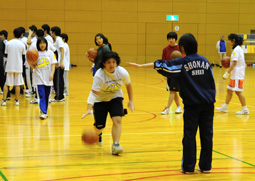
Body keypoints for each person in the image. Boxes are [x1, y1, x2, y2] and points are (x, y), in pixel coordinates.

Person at [127, 33, 216, 173]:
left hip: (192, 106)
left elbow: (163, 65)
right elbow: (212, 82)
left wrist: (140, 66)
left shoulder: (183, 62)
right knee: (207, 136)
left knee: (189, 136)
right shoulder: (205, 61)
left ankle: (188, 167)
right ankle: (206, 167)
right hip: (209, 104)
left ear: (182, 48)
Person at [82, 51, 134, 155]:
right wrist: (89, 108)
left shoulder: (122, 72)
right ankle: (98, 134)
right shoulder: (99, 75)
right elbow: (93, 93)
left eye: (114, 62)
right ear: (104, 64)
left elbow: (128, 85)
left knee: (117, 119)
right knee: (99, 127)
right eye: (108, 62)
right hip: (100, 100)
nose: (111, 65)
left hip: (116, 97)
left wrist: (131, 100)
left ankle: (116, 145)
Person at [216, 34, 249, 115]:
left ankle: (245, 109)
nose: (228, 41)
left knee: (238, 92)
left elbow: (234, 63)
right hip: (235, 74)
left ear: (233, 40)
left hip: (238, 74)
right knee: (229, 90)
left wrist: (227, 73)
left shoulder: (236, 50)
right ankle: (225, 107)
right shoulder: (236, 49)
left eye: (229, 40)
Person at [29, 37, 57, 119]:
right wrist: (32, 63)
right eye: (40, 43)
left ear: (46, 44)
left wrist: (52, 74)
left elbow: (53, 65)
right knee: (41, 95)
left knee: (47, 95)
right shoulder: (35, 53)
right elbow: (32, 66)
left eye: (43, 43)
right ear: (38, 44)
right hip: (38, 77)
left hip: (48, 77)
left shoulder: (51, 53)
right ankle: (43, 112)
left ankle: (44, 111)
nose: (42, 45)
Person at [1, 28, 26, 106]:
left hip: (10, 65)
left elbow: (6, 54)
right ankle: (17, 100)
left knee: (7, 83)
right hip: (18, 66)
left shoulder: (8, 43)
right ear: (21, 35)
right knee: (17, 84)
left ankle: (4, 101)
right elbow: (23, 56)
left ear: (13, 34)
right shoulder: (22, 44)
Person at [161, 32, 182, 115]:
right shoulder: (165, 49)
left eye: (172, 38)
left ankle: (167, 108)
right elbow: (163, 62)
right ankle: (179, 107)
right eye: (169, 39)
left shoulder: (180, 48)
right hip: (169, 72)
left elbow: (183, 60)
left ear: (175, 39)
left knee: (172, 91)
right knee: (173, 90)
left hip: (177, 73)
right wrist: (164, 73)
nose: (171, 40)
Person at [51, 26, 65, 102]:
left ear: (54, 32)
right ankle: (58, 96)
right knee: (57, 80)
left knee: (58, 81)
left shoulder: (59, 39)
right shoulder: (56, 40)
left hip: (59, 64)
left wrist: (61, 62)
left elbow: (62, 50)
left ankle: (59, 96)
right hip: (57, 63)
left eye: (51, 32)